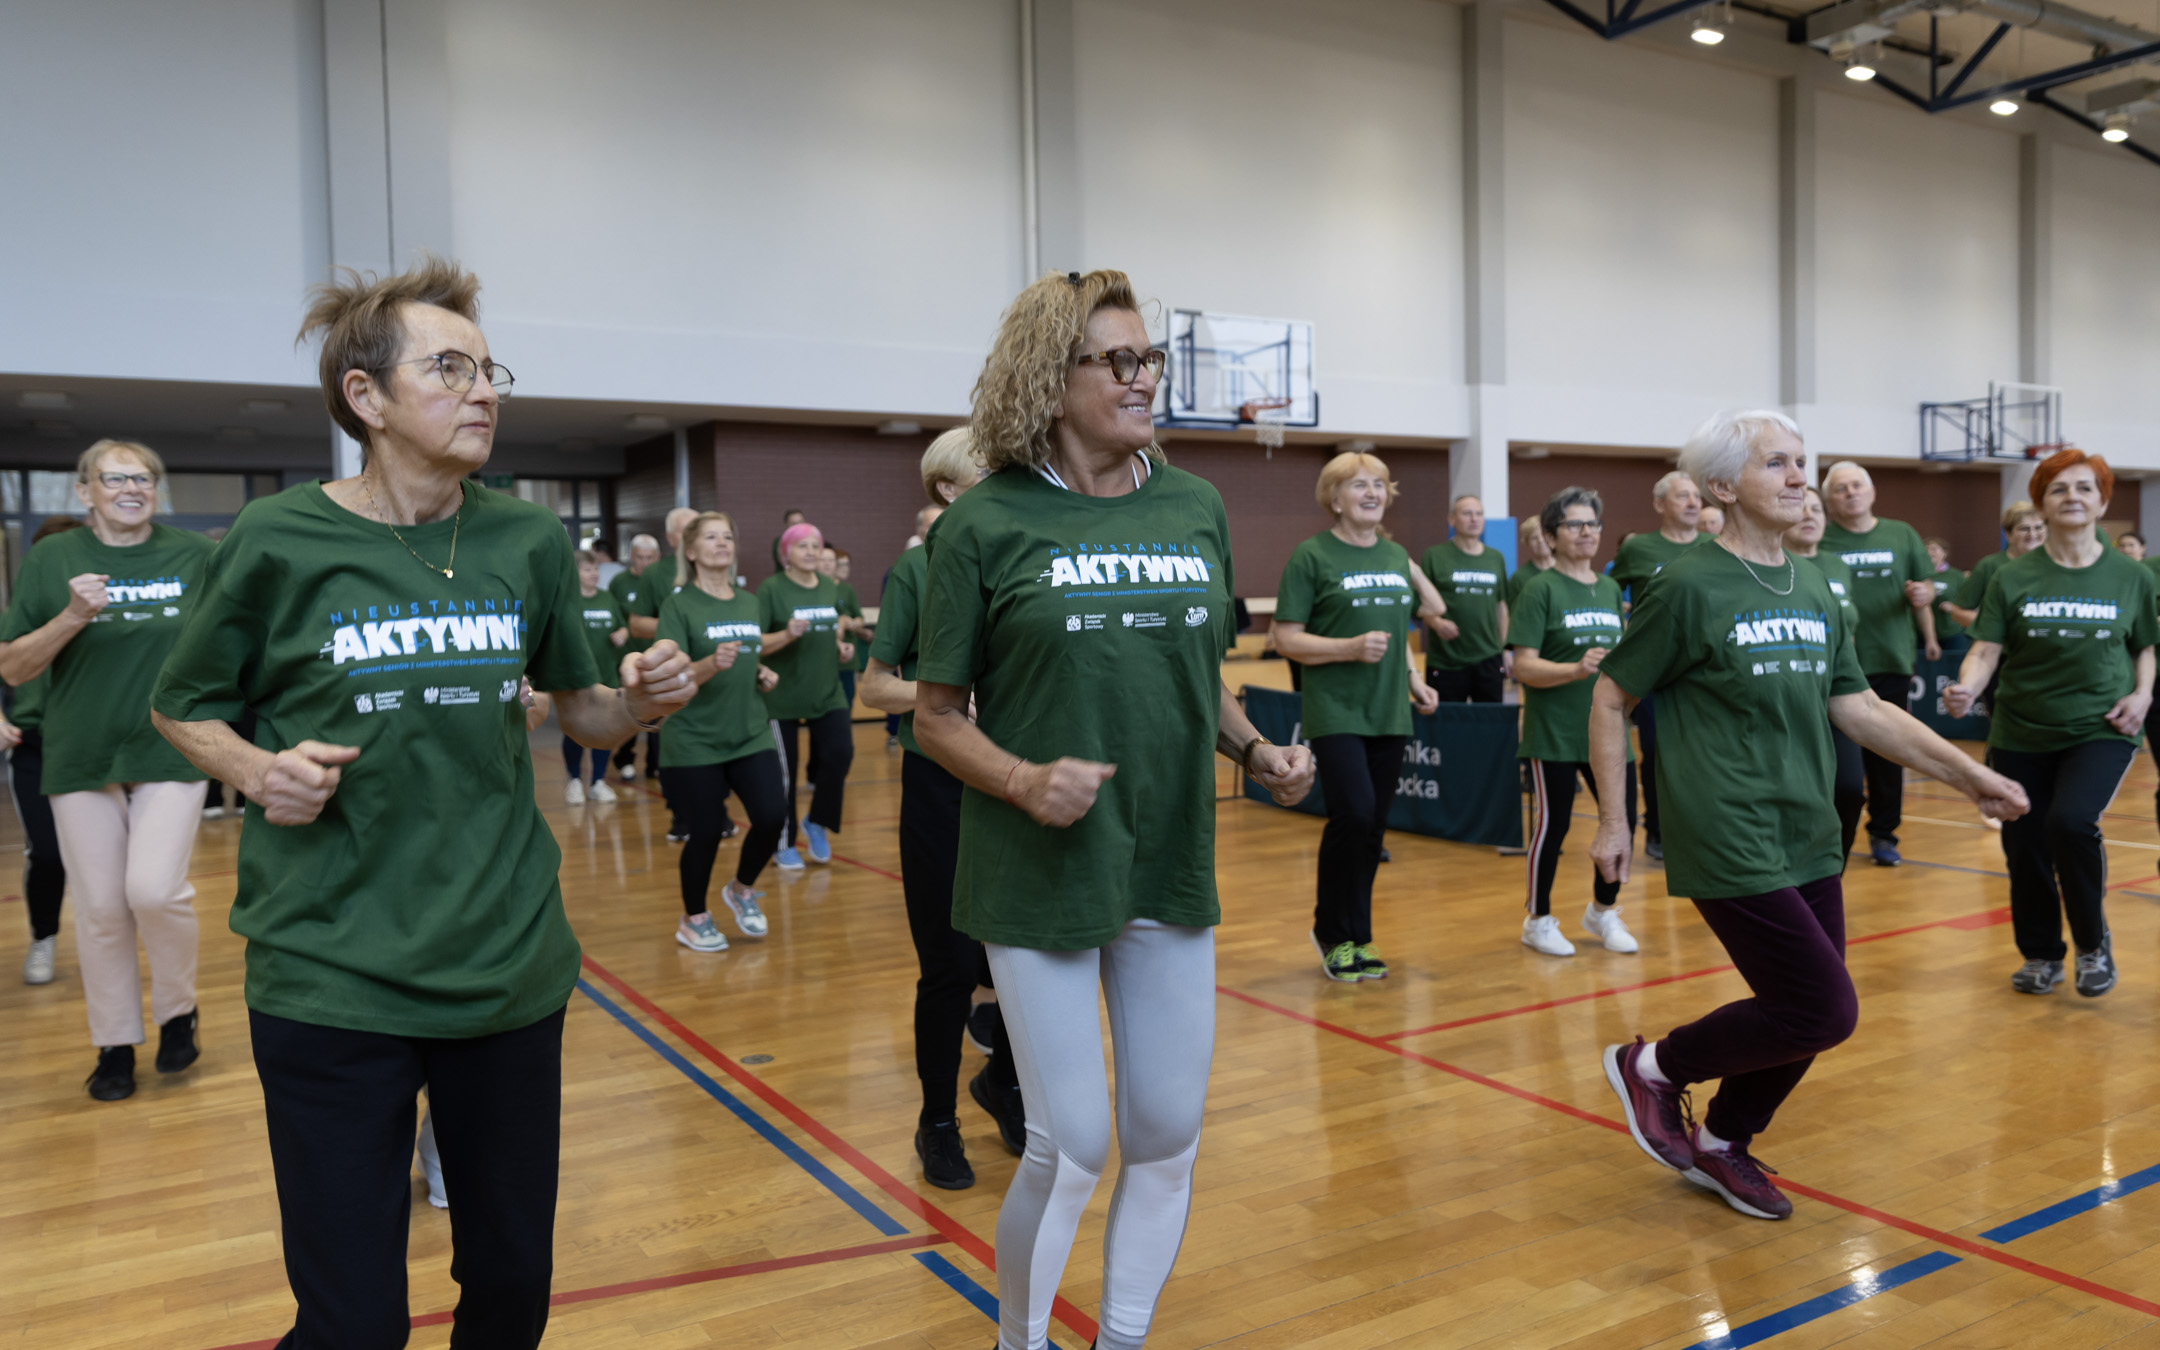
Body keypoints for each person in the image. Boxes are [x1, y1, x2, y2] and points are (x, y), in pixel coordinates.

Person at [149, 257, 695, 1346]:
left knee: (510, 1289)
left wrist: (637, 705)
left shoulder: (526, 540)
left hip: (506, 965)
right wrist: (256, 771)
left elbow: (582, 709)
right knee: (352, 1321)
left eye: (489, 371)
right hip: (328, 971)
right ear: (366, 396)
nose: (483, 391)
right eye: (449, 370)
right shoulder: (276, 539)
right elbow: (181, 704)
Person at [914, 268, 1314, 1350]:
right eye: (1119, 360)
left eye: (1152, 359)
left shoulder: (1194, 505)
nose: (1145, 379)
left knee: (1168, 1134)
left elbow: (1195, 676)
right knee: (1073, 1144)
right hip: (1035, 870)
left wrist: (1255, 749)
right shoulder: (984, 523)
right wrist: (1022, 780)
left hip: (1167, 857)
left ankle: (1122, 1338)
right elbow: (936, 717)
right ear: (1050, 380)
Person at [1589, 409, 2026, 1223]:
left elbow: (1859, 707)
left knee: (1807, 1013)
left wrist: (1971, 776)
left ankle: (1722, 1141)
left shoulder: (1816, 583)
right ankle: (1652, 1067)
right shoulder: (1685, 585)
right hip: (1724, 826)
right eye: (1777, 463)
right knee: (1823, 1007)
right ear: (1724, 487)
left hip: (1808, 826)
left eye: (1802, 461)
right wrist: (1615, 821)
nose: (1800, 478)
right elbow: (1611, 697)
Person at [0, 440, 214, 1101]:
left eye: (144, 477)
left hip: (171, 746)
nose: (131, 488)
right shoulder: (53, 559)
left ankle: (178, 1009)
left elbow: (234, 638)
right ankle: (115, 1044)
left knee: (153, 890)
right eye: (115, 478)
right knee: (99, 908)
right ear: (84, 491)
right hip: (80, 752)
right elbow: (14, 666)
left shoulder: (195, 556)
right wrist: (72, 616)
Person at [860, 428, 1023, 1190]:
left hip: (1016, 781)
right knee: (949, 967)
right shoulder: (917, 570)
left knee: (1023, 957)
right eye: (987, 473)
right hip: (941, 785)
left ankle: (1005, 1084)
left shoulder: (1027, 559)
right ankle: (937, 1122)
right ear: (949, 490)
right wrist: (947, 700)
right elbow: (874, 684)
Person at [1945, 448, 2154, 998]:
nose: (2072, 497)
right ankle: (2041, 954)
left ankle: (2092, 943)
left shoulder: (2130, 575)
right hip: (2021, 729)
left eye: (2085, 488)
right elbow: (1986, 649)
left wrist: (2143, 695)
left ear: (2102, 502)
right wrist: (1967, 687)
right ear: (2040, 503)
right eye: (2058, 489)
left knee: (2071, 822)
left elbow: (2144, 647)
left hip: (2100, 727)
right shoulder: (2012, 577)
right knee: (2025, 843)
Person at [1273, 452, 1440, 981]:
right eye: (1358, 485)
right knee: (1354, 814)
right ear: (1334, 498)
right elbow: (1286, 637)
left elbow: (1398, 632)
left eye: (1379, 485)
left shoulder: (1394, 556)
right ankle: (1330, 930)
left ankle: (1359, 936)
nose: (1372, 493)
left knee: (1374, 829)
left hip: (1389, 709)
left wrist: (1413, 678)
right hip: (1336, 709)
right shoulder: (1311, 555)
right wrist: (1347, 648)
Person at [655, 511, 790, 952]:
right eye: (711, 537)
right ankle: (694, 918)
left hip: (749, 730)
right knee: (708, 830)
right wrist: (710, 664)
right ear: (691, 551)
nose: (722, 543)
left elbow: (747, 653)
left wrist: (759, 671)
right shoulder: (678, 605)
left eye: (727, 537)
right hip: (693, 737)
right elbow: (672, 675)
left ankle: (742, 889)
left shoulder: (749, 601)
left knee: (771, 816)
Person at [1512, 487, 1638, 958]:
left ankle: (1603, 911)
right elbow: (1523, 666)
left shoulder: (1608, 588)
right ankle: (1538, 920)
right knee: (1554, 826)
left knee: (1624, 819)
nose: (1587, 532)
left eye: (1593, 524)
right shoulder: (1539, 589)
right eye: (1575, 524)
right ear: (1551, 536)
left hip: (1608, 733)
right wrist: (1574, 669)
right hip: (1555, 732)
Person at [1820, 461, 1939, 868]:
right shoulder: (1820, 540)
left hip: (1890, 658)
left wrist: (1926, 598)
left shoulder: (1901, 534)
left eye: (1857, 485)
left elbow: (1926, 586)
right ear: (1829, 500)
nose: (1851, 493)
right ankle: (1831, 836)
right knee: (1841, 766)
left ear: (1871, 492)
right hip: (1836, 669)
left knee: (1887, 754)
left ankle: (1884, 833)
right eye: (1841, 488)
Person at [1608, 470, 1705, 863]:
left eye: (1697, 495)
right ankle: (1659, 831)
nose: (1693, 502)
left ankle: (1703, 831)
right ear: (1660, 504)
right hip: (1654, 671)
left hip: (1705, 671)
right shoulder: (1638, 549)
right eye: (1683, 496)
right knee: (1657, 752)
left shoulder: (1715, 546)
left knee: (1705, 752)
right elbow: (1608, 592)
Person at [10, 515, 83, 986]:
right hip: (36, 747)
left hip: (93, 747)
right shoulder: (22, 614)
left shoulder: (108, 613)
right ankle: (44, 937)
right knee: (49, 854)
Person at [760, 521, 855, 868]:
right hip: (781, 696)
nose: (812, 551)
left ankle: (817, 821)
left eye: (816, 545)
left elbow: (828, 628)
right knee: (785, 775)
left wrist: (839, 646)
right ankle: (784, 843)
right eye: (803, 546)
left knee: (841, 753)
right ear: (786, 554)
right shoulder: (771, 589)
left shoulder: (828, 586)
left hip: (827, 691)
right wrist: (786, 634)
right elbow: (756, 643)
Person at [1785, 488, 1868, 863]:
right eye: (1801, 509)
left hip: (1836, 695)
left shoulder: (1836, 566)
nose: (1809, 515)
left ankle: (1832, 873)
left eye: (1817, 509)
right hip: (1789, 697)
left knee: (1849, 789)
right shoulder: (1773, 564)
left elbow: (1847, 628)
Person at [1418, 495, 1502, 703]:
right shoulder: (1434, 556)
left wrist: (1504, 651)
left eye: (1479, 514)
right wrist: (1436, 623)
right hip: (1447, 660)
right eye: (1467, 513)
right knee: (1447, 721)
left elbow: (1501, 606)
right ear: (1452, 519)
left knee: (1490, 721)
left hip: (1488, 657)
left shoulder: (1495, 558)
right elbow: (1419, 603)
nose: (1474, 519)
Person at [565, 548, 627, 804]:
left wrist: (622, 633)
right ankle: (574, 781)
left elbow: (622, 626)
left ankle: (599, 781)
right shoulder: (568, 600)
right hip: (576, 679)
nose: (594, 574)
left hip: (607, 677)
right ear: (575, 572)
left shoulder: (607, 598)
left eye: (595, 569)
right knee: (576, 730)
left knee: (604, 730)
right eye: (587, 569)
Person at [609, 532, 663, 783]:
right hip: (627, 658)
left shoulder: (662, 582)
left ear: (658, 557)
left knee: (659, 710)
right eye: (640, 557)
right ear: (631, 557)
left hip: (656, 656)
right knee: (632, 712)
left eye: (649, 558)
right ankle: (625, 758)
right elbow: (612, 614)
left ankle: (656, 764)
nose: (644, 563)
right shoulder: (620, 582)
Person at [1942, 501, 2045, 631]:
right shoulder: (1989, 565)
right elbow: (1958, 612)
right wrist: (1996, 629)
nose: (2033, 534)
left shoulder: (2056, 564)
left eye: (2039, 527)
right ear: (2008, 535)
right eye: (2024, 529)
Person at [1925, 537, 1968, 655]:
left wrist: (1954, 607)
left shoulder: (1956, 576)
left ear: (1944, 553)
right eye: (1926, 549)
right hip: (1924, 635)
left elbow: (1969, 602)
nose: (1929, 552)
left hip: (1952, 633)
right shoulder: (1920, 574)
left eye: (1934, 549)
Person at [1509, 516, 1554, 605]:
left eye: (1544, 535)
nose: (1540, 541)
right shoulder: (1519, 577)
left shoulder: (1566, 570)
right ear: (1527, 542)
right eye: (1534, 538)